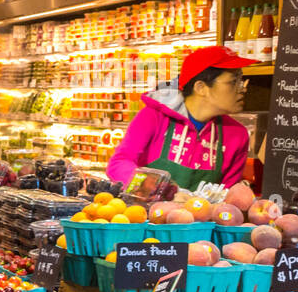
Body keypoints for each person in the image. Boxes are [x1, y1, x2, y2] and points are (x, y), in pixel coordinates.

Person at [107, 45, 255, 190]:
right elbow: (119, 163)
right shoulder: (154, 116)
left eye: (241, 80)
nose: (243, 88)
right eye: (233, 82)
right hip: (143, 212)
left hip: (201, 214)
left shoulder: (237, 135)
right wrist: (148, 184)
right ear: (201, 87)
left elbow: (227, 195)